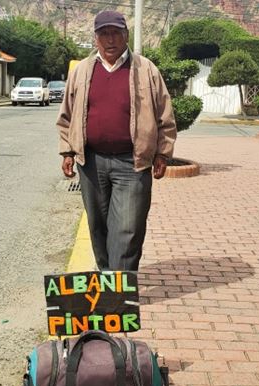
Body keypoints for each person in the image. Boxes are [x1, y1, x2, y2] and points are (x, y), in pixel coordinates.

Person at [56, 10, 176, 272]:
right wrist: (67, 152)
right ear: (95, 38)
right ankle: (107, 280)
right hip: (91, 162)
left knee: (129, 229)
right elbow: (66, 115)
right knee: (98, 228)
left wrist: (162, 153)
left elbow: (165, 114)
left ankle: (119, 291)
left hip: (132, 164)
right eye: (104, 34)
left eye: (116, 33)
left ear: (126, 35)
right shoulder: (82, 71)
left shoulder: (146, 70)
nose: (110, 40)